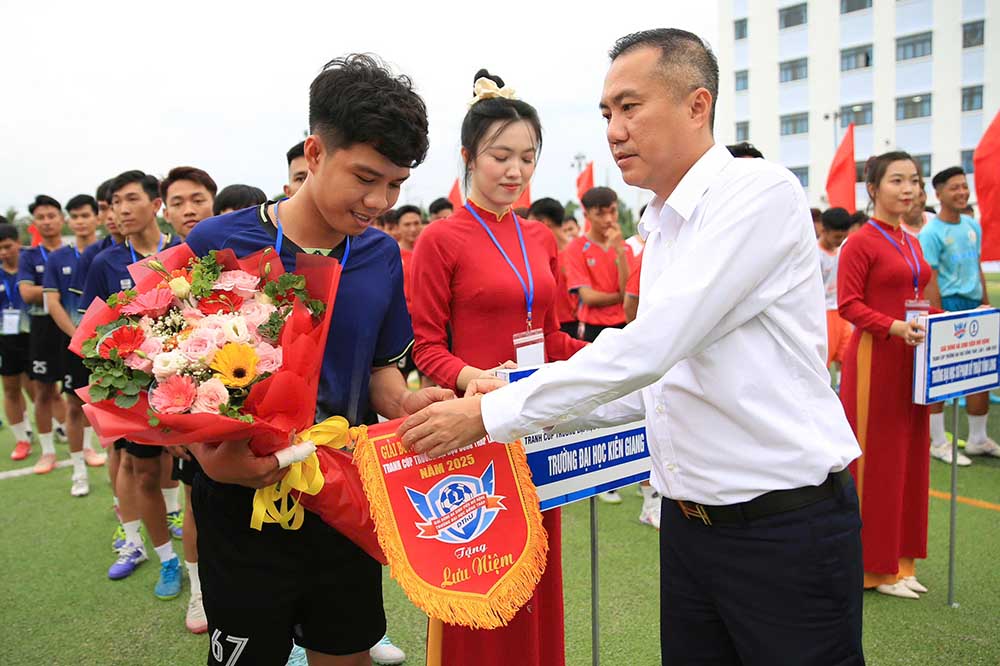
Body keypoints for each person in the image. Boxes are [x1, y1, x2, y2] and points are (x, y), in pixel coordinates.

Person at [399, 29, 865, 666]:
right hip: (690, 527)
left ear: (697, 106)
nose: (613, 129)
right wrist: (504, 390)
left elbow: (650, 347)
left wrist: (488, 411)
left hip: (780, 524)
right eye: (605, 113)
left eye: (630, 107)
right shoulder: (661, 221)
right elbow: (654, 383)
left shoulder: (757, 195)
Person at [185, 54, 446, 666]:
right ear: (315, 153)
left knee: (347, 655)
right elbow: (176, 378)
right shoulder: (216, 243)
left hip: (345, 491)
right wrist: (210, 458)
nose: (379, 200)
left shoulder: (381, 255)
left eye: (396, 184)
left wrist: (408, 402)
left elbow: (381, 370)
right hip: (240, 503)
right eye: (366, 177)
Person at [409, 68, 587, 666]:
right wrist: (472, 382)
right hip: (473, 431)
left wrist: (624, 358)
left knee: (537, 571)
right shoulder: (441, 238)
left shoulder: (540, 237)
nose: (515, 170)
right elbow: (425, 345)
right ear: (468, 157)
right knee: (477, 577)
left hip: (536, 423)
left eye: (528, 157)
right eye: (500, 155)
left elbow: (555, 336)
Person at [838, 151, 935, 599]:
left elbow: (917, 297)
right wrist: (894, 327)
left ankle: (901, 561)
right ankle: (870, 567)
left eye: (914, 180)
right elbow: (849, 305)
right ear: (873, 189)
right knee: (875, 461)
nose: (909, 189)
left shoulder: (911, 240)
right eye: (897, 181)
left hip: (913, 358)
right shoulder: (861, 242)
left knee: (912, 456)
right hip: (876, 356)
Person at [81, 170, 183, 597]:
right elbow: (93, 330)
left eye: (129, 199)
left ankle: (199, 563)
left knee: (188, 476)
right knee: (142, 474)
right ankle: (164, 559)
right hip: (133, 387)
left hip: (184, 380)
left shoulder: (181, 251)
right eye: (114, 203)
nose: (120, 210)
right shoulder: (104, 262)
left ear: (155, 203)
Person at [161, 165, 220, 634]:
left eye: (197, 198)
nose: (189, 209)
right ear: (166, 210)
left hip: (239, 411)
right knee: (196, 507)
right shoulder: (160, 268)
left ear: (213, 202)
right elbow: (146, 351)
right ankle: (199, 593)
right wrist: (167, 426)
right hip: (185, 418)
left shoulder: (234, 257)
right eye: (178, 201)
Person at [920, 166, 1000, 462]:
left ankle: (978, 438)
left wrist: (986, 303)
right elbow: (931, 278)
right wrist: (939, 315)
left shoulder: (971, 225)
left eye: (964, 186)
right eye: (954, 187)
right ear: (938, 193)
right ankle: (938, 441)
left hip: (974, 303)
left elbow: (976, 266)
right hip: (948, 304)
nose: (961, 192)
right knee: (942, 374)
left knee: (981, 371)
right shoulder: (931, 233)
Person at [43, 194, 106, 497]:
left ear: (97, 217)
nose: (80, 222)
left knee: (107, 404)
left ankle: (109, 463)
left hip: (110, 346)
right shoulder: (57, 258)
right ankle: (78, 470)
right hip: (73, 343)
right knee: (73, 404)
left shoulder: (107, 252)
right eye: (75, 217)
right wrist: (78, 338)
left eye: (85, 216)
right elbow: (52, 302)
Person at [18, 194, 69, 475]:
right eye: (41, 217)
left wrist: (49, 291)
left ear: (62, 219)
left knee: (75, 394)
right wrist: (59, 288)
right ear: (34, 224)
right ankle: (48, 451)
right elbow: (27, 294)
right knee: (43, 391)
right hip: (42, 330)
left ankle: (84, 445)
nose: (47, 221)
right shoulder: (29, 256)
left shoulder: (76, 253)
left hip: (71, 327)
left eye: (52, 216)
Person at [564, 186, 634, 345]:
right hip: (593, 330)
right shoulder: (576, 248)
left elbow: (628, 292)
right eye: (600, 214)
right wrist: (621, 297)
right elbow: (588, 297)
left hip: (624, 326)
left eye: (613, 211)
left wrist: (620, 252)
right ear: (586, 215)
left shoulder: (625, 248)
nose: (608, 219)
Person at [0, 222, 34, 461]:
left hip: (34, 334)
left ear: (17, 241)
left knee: (42, 388)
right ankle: (22, 438)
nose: (3, 252)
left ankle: (58, 425)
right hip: (6, 338)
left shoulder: (32, 265)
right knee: (10, 388)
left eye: (7, 246)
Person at [527, 198, 578, 337]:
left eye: (530, 222)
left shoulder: (576, 252)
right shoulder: (539, 255)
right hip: (548, 326)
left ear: (543, 223)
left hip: (573, 325)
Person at [818, 207, 853, 383]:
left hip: (840, 312)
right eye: (837, 237)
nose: (840, 241)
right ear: (824, 231)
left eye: (843, 237)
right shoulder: (815, 254)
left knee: (846, 356)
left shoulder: (842, 251)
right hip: (822, 314)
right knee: (823, 360)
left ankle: (841, 388)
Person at [160, 166, 217, 240]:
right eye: (177, 204)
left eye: (198, 200)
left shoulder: (235, 249)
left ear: (216, 206)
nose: (189, 211)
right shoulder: (164, 251)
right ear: (166, 215)